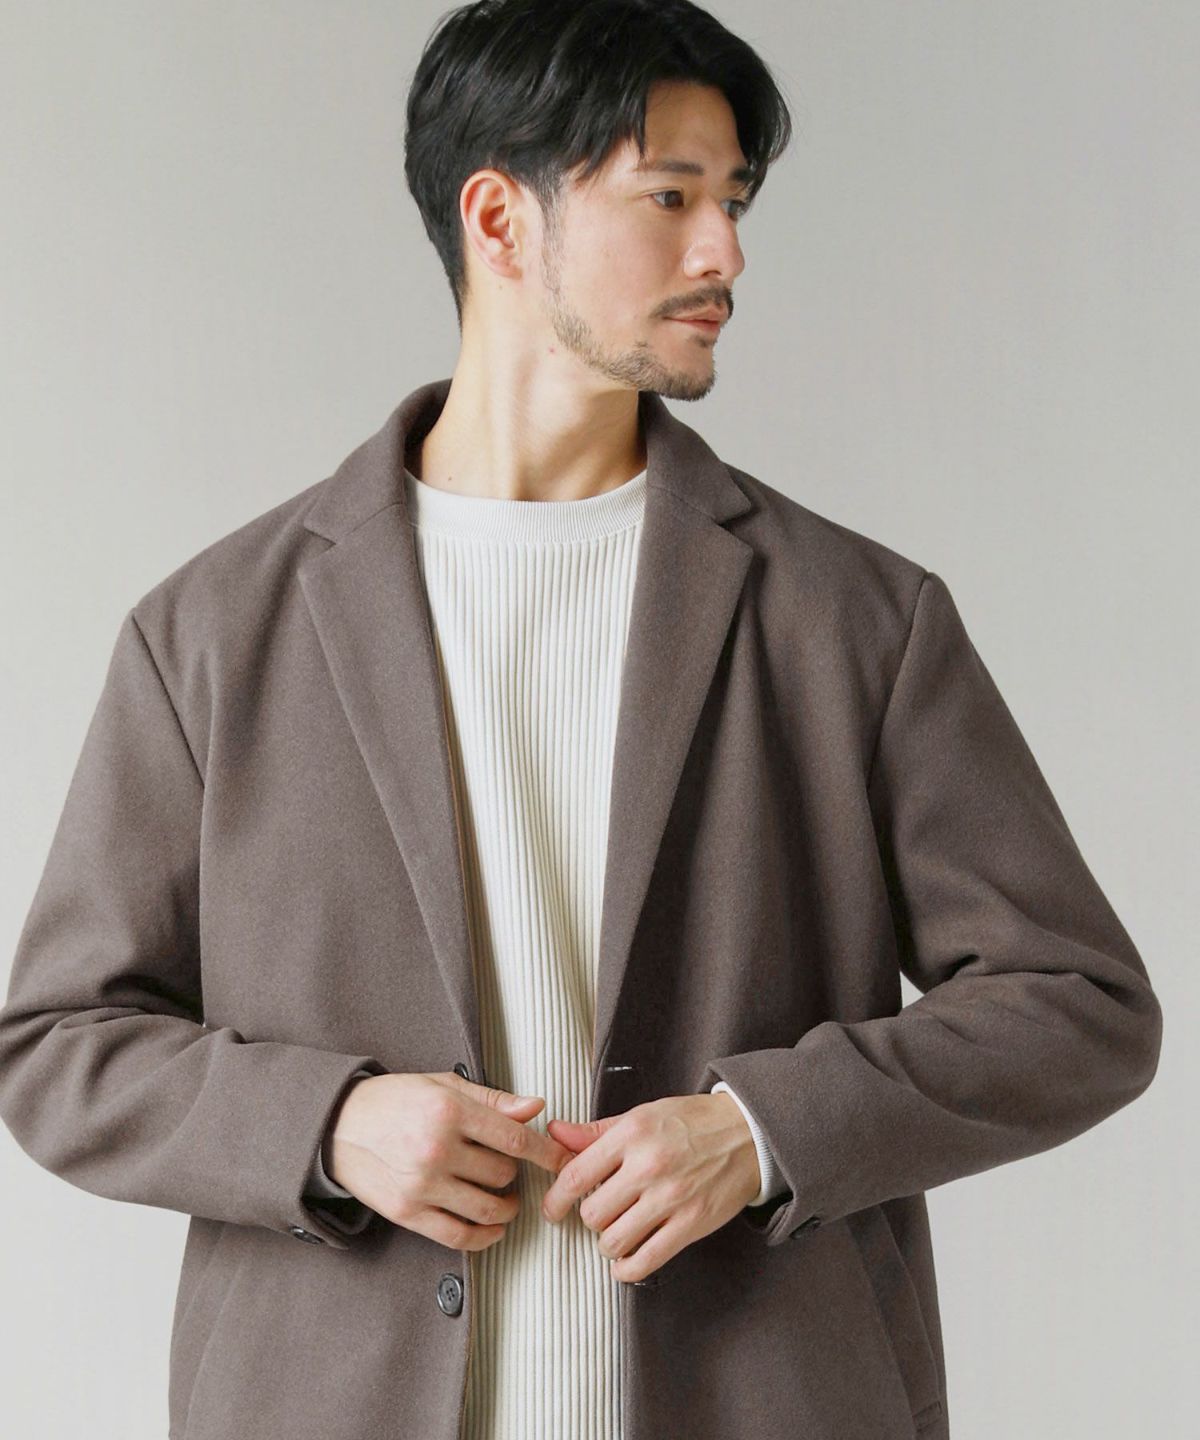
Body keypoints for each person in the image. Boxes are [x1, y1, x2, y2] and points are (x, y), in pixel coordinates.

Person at [0, 2, 1162, 1438]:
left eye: (734, 202)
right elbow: (57, 1045)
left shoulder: (855, 618)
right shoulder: (215, 634)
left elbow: (1078, 1005)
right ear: (500, 219)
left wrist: (763, 1132)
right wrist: (328, 1126)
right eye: (670, 196)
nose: (724, 252)